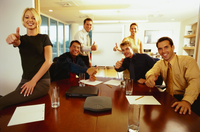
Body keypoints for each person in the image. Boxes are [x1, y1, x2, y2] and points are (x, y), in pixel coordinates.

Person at [1, 8, 52, 110]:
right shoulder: (21, 39)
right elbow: (16, 41)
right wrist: (12, 38)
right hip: (25, 80)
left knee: (3, 102)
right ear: (23, 20)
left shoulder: (44, 38)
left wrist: (33, 81)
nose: (30, 20)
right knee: (7, 103)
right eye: (27, 17)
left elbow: (49, 61)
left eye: (33, 17)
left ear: (38, 20)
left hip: (42, 82)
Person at [145, 37, 200, 116]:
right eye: (160, 49)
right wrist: (150, 77)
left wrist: (186, 101)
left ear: (173, 47)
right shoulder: (160, 63)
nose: (163, 51)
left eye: (166, 47)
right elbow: (152, 71)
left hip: (189, 97)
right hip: (170, 97)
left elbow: (195, 82)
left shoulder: (188, 61)